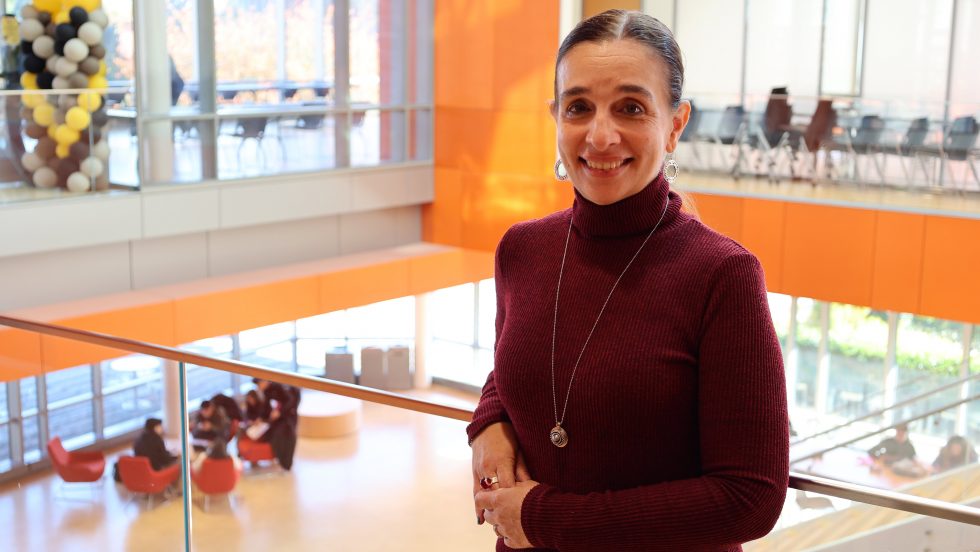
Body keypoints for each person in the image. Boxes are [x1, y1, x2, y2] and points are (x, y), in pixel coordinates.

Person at [468, 10, 788, 551]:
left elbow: (749, 498)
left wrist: (550, 519)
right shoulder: (522, 249)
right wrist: (488, 420)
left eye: (631, 108)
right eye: (579, 107)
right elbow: (523, 358)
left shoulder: (722, 275)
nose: (600, 135)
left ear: (675, 124)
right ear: (555, 117)